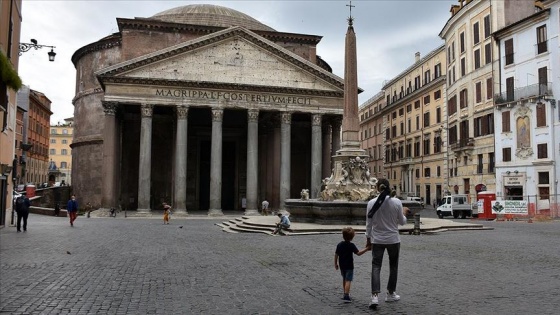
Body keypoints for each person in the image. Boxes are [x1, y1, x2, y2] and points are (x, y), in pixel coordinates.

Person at [365, 178, 409, 309]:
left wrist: (368, 239)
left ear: (377, 188)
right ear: (389, 187)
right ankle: (390, 293)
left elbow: (369, 224)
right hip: (393, 239)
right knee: (393, 266)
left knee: (376, 267)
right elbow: (402, 222)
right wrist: (404, 213)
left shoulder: (371, 203)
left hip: (377, 239)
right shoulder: (396, 202)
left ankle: (374, 296)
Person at [334, 227, 369, 303]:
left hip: (342, 265)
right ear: (352, 237)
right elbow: (358, 253)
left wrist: (335, 263)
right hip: (349, 266)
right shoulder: (351, 245)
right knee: (348, 280)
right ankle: (346, 295)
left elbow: (336, 254)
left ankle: (345, 292)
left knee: (344, 279)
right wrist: (367, 249)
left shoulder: (339, 244)